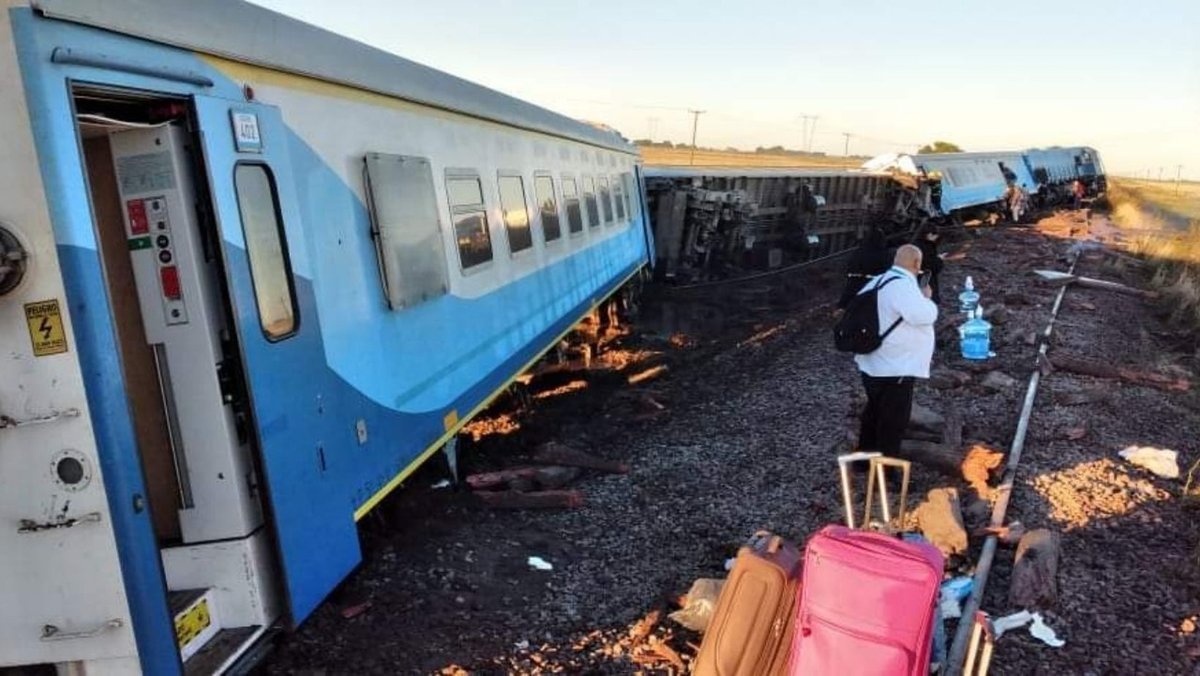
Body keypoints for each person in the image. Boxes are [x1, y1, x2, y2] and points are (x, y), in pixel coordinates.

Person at [854, 244, 938, 458]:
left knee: (873, 412)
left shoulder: (878, 281)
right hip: (895, 366)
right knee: (893, 421)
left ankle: (863, 459)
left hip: (871, 361)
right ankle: (886, 470)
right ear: (917, 264)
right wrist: (926, 298)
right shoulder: (903, 286)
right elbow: (924, 316)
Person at [838, 227, 894, 309]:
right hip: (872, 286)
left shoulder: (858, 252)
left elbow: (850, 266)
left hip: (854, 284)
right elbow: (886, 270)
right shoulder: (885, 255)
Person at [914, 224, 944, 304]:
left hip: (917, 274)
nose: (936, 238)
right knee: (927, 296)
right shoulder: (927, 247)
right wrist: (939, 259)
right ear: (930, 234)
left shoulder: (915, 244)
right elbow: (931, 266)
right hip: (926, 276)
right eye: (935, 236)